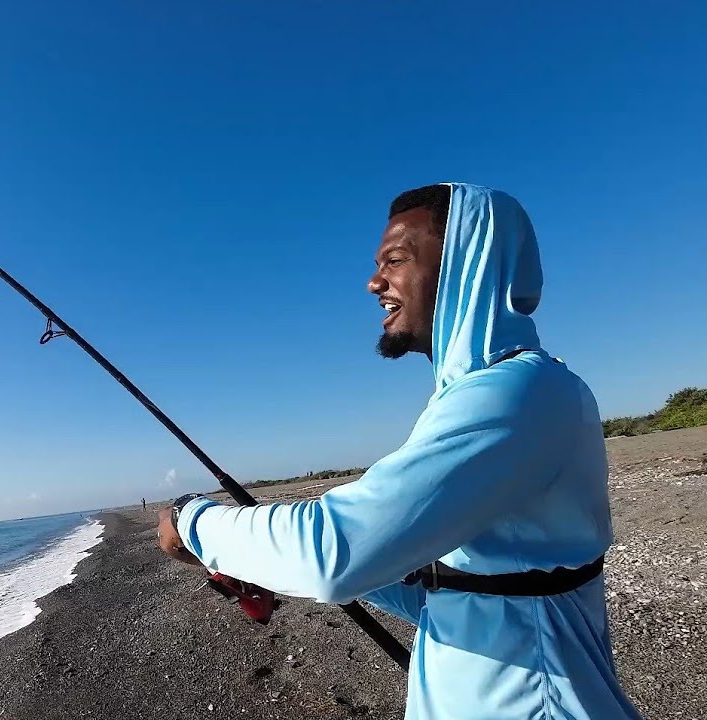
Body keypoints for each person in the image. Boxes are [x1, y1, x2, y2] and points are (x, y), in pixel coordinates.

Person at [155, 184, 639, 719]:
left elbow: (334, 554)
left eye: (395, 260)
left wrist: (193, 520)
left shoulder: (516, 393)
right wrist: (306, 565)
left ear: (464, 264)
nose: (373, 282)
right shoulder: (491, 395)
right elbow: (465, 590)